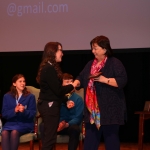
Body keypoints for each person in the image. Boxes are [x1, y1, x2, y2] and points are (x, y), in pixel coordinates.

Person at [73, 35, 127, 150]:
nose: (93, 51)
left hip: (110, 112)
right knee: (89, 145)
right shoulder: (90, 64)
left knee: (111, 143)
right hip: (92, 113)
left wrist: (105, 80)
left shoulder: (114, 63)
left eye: (95, 48)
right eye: (92, 48)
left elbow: (122, 81)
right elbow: (81, 77)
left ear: (104, 49)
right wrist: (76, 82)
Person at [36, 42, 76, 150]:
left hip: (50, 104)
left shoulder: (50, 67)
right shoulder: (49, 68)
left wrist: (65, 100)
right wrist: (73, 85)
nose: (62, 53)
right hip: (49, 106)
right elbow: (58, 90)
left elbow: (53, 92)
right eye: (60, 50)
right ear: (52, 52)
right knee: (49, 139)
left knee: (50, 138)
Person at [1, 74, 36, 150]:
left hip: (25, 123)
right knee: (4, 133)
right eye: (20, 81)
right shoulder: (7, 96)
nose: (22, 83)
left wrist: (24, 111)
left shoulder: (30, 97)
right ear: (14, 84)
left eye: (24, 81)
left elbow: (32, 113)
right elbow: (4, 114)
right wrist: (14, 110)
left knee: (14, 132)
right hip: (10, 123)